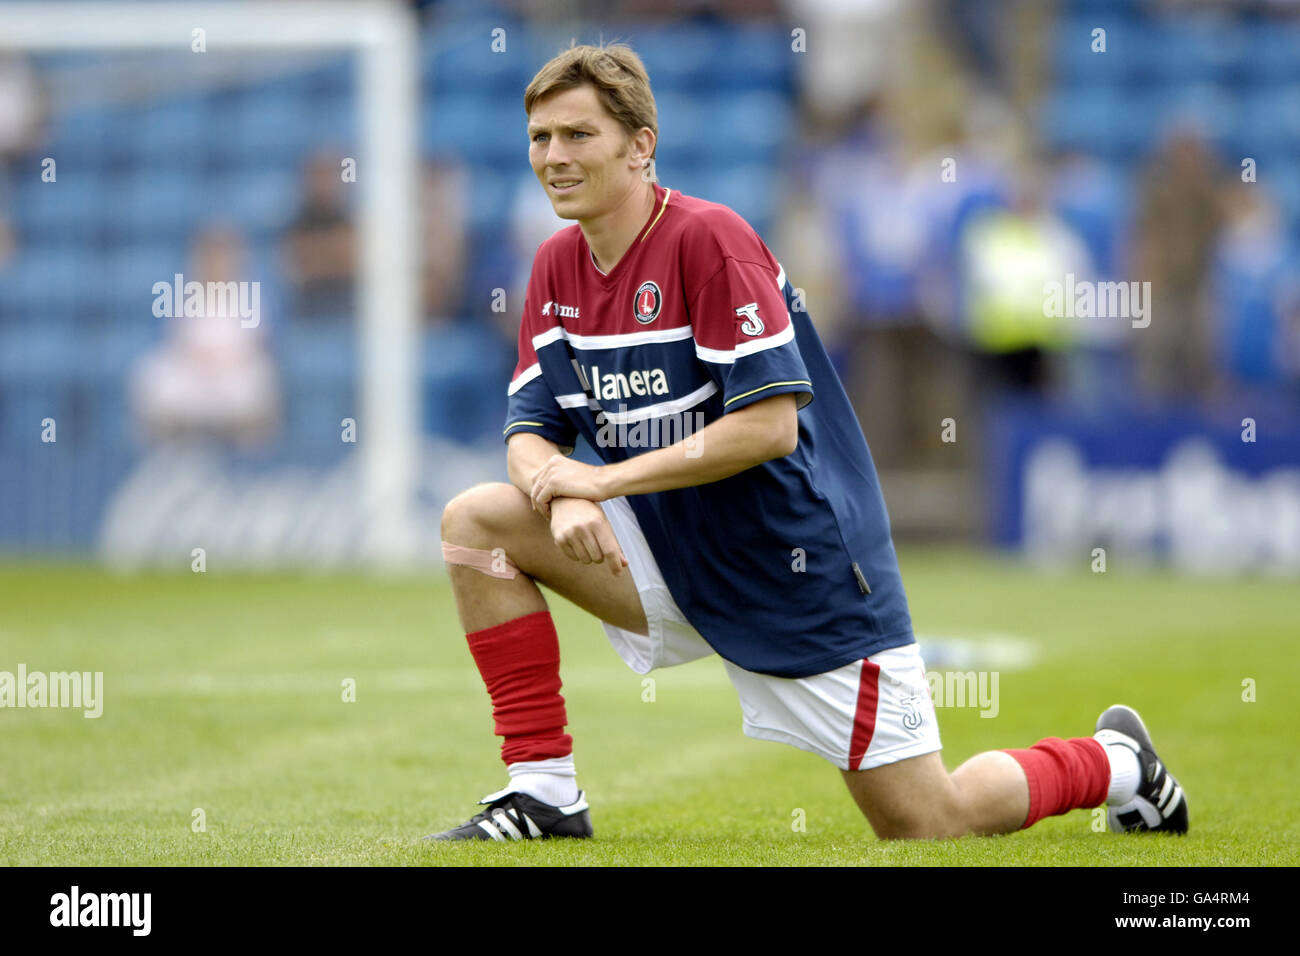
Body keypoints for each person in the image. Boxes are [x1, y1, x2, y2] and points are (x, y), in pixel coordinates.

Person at [430, 43, 1186, 842]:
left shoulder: (710, 242)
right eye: (540, 138)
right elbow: (527, 434)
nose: (554, 157)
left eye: (577, 135)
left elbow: (768, 426)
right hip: (667, 553)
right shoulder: (554, 266)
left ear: (640, 145)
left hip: (798, 570)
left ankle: (1115, 761)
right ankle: (543, 793)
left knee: (929, 820)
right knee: (477, 520)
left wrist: (600, 486)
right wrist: (557, 488)